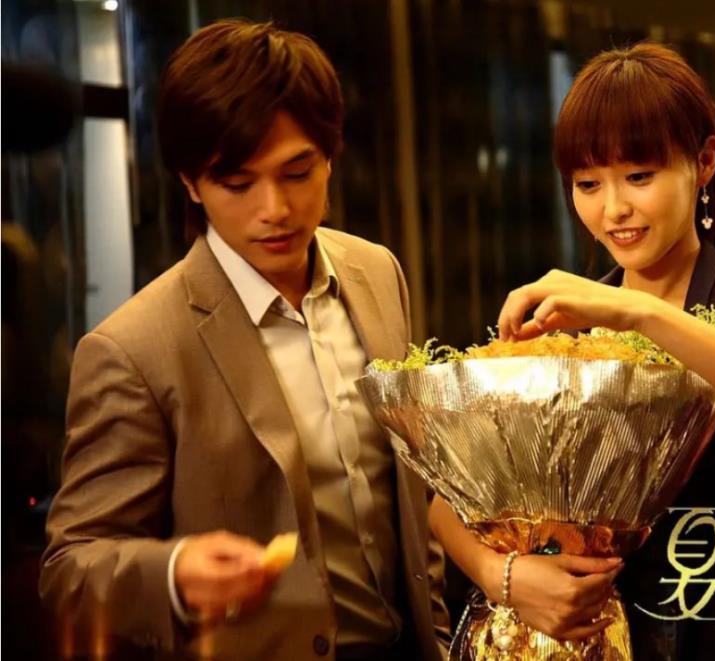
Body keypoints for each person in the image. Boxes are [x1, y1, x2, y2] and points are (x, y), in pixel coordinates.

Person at [39, 20, 450, 660]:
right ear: (191, 183)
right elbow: (70, 569)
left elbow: (408, 487)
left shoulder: (375, 273)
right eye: (238, 184)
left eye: (297, 172)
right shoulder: (135, 348)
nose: (274, 209)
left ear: (330, 156)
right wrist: (174, 574)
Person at [429, 43, 715, 659]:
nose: (613, 209)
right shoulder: (563, 322)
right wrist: (506, 578)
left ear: (704, 162)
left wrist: (641, 313)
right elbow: (449, 504)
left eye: (639, 176)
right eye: (587, 184)